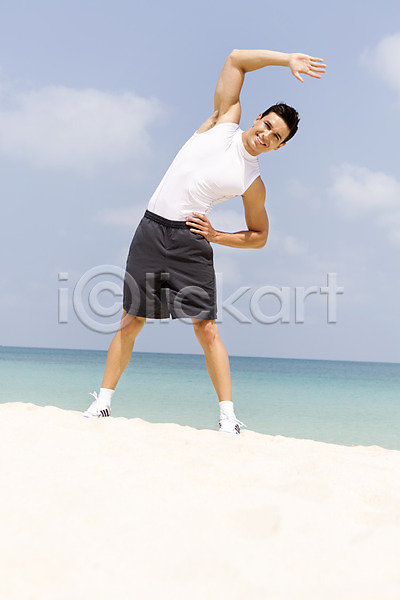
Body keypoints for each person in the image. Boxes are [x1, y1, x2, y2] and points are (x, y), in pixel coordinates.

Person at [83, 49, 326, 433]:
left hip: (190, 242)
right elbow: (236, 60)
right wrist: (286, 60)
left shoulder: (253, 182)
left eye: (276, 137)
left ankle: (228, 417)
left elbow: (260, 236)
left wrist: (217, 236)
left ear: (279, 147)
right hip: (150, 230)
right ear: (258, 118)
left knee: (206, 328)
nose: (266, 136)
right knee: (130, 322)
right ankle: (103, 403)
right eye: (267, 126)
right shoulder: (223, 122)